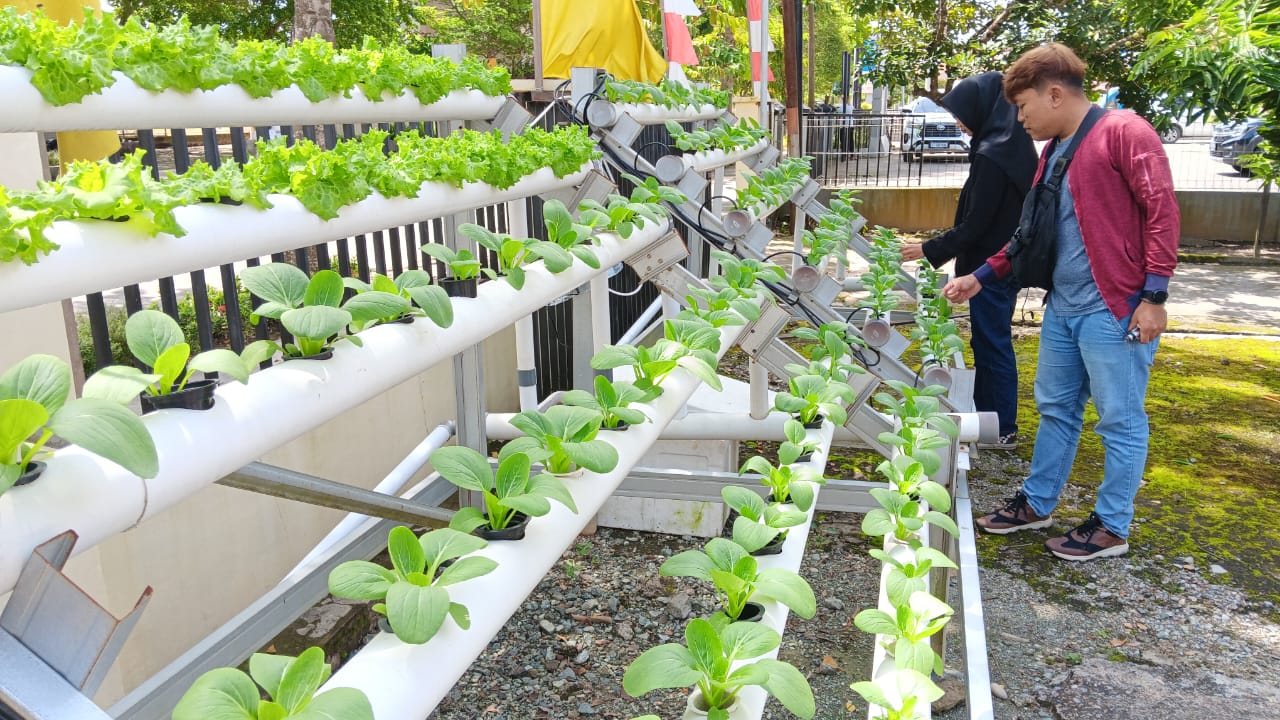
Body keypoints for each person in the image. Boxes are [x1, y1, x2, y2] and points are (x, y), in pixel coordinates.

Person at [941, 43, 1179, 561]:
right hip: (1065, 306)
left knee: (1119, 418)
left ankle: (1112, 525)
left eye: (1023, 106)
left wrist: (1154, 296)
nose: (1019, 117)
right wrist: (983, 275)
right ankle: (1039, 501)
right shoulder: (1054, 152)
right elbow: (1029, 232)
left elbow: (1162, 213)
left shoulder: (1125, 133)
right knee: (1056, 409)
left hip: (1115, 308)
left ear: (1053, 94)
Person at [900, 72, 1037, 448]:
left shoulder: (994, 155)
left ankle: (1001, 426)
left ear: (982, 108)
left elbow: (978, 223)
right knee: (990, 341)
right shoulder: (1006, 144)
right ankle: (989, 417)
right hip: (997, 263)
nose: (958, 121)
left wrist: (929, 249)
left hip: (990, 268)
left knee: (992, 344)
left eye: (962, 113)